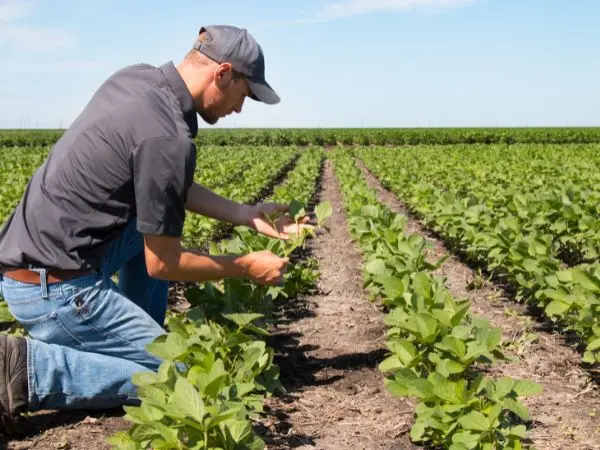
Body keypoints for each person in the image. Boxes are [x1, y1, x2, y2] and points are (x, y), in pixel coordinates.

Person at [0, 24, 309, 435]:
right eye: (245, 93)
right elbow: (164, 263)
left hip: (35, 261)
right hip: (55, 289)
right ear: (223, 73)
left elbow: (164, 181)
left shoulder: (139, 79)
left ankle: (131, 339)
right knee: (179, 380)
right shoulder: (167, 136)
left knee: (145, 227)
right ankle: (31, 368)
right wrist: (246, 266)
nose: (240, 107)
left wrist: (245, 213)